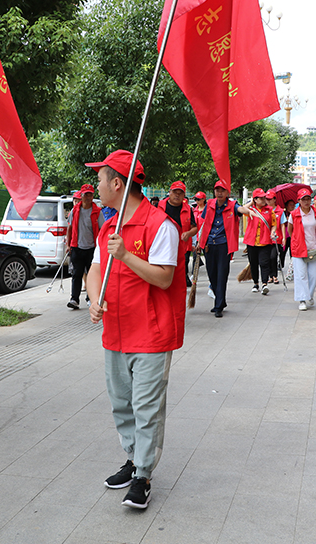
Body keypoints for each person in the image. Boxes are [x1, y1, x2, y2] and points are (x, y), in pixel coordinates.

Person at [84, 150, 185, 510]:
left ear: (117, 183)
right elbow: (94, 270)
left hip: (151, 333)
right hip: (115, 331)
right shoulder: (109, 226)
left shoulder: (161, 226)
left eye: (101, 178)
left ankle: (143, 475)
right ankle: (132, 457)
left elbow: (164, 277)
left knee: (146, 407)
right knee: (121, 404)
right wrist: (95, 299)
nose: (96, 185)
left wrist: (126, 256)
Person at [197, 180, 251, 317]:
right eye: (217, 190)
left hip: (223, 245)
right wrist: (199, 241)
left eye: (222, 190)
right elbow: (203, 223)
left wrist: (248, 211)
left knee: (221, 275)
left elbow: (241, 210)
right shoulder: (209, 204)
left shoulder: (232, 205)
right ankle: (220, 300)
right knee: (212, 275)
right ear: (214, 192)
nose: (219, 193)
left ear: (227, 192)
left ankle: (218, 305)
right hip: (209, 244)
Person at [65, 183, 103, 309]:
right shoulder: (75, 211)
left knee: (93, 275)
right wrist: (68, 244)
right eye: (86, 194)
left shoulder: (97, 212)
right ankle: (74, 299)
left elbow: (102, 229)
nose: (88, 197)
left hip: (92, 248)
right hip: (77, 247)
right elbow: (69, 228)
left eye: (90, 194)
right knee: (76, 274)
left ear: (93, 196)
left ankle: (90, 298)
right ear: (81, 195)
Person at [158, 181, 198, 287]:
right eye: (175, 192)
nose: (177, 195)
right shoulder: (159, 206)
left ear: (184, 196)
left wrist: (188, 233)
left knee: (180, 272)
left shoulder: (188, 209)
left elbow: (195, 228)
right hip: (162, 245)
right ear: (170, 192)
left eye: (180, 193)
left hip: (182, 247)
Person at [288, 189, 316, 311]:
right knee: (301, 275)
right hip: (299, 248)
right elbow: (290, 230)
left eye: (308, 198)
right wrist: (297, 241)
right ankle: (302, 299)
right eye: (303, 199)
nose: (306, 201)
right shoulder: (294, 214)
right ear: (299, 201)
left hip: (313, 248)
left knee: (313, 275)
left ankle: (310, 294)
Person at [243, 188, 278, 294]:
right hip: (251, 241)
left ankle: (264, 284)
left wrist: (272, 232)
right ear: (255, 199)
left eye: (264, 197)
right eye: (261, 198)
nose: (264, 199)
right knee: (253, 263)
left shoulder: (269, 210)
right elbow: (242, 208)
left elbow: (273, 225)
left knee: (264, 263)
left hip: (265, 240)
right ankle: (255, 283)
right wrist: (251, 203)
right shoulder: (251, 210)